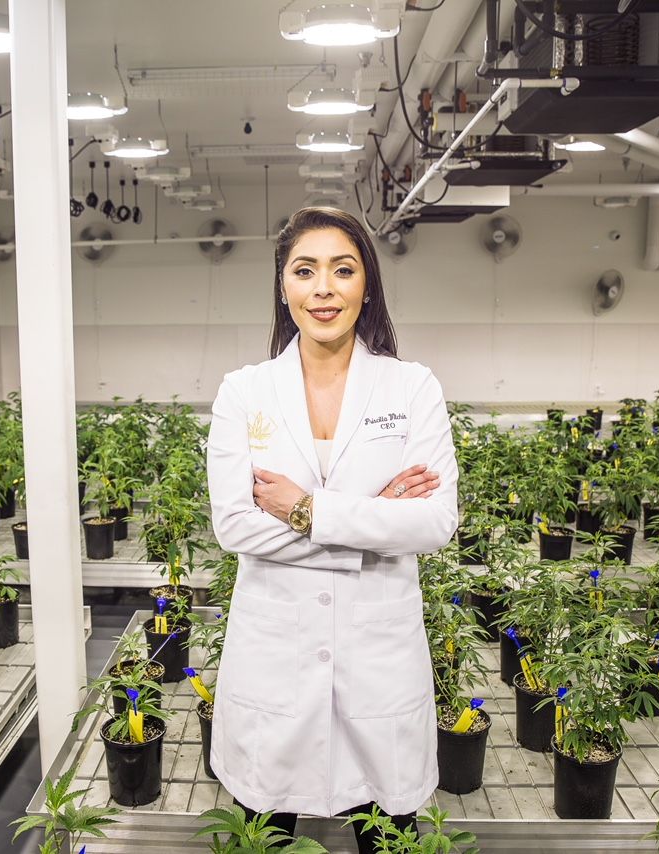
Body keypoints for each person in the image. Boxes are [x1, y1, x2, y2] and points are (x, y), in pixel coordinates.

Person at [205, 206, 459, 852]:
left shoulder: (412, 388)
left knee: (390, 836)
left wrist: (306, 510)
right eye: (305, 271)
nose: (324, 289)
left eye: (343, 270)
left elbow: (433, 521)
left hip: (379, 665)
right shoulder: (244, 393)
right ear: (283, 286)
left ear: (366, 285)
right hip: (274, 666)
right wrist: (373, 515)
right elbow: (234, 526)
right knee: (263, 836)